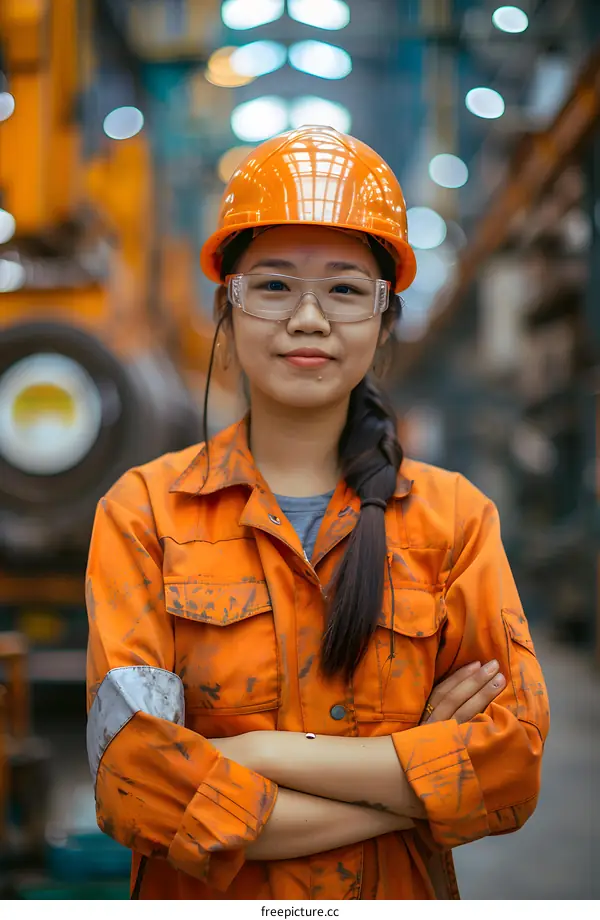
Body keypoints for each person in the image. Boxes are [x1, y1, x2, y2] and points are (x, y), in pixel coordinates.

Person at [85, 125, 549, 900]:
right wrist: (413, 784)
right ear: (225, 313)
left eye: (343, 288)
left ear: (384, 318)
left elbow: (511, 764)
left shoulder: (454, 521)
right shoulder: (143, 514)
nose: (308, 318)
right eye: (272, 286)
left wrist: (258, 755)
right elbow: (135, 780)